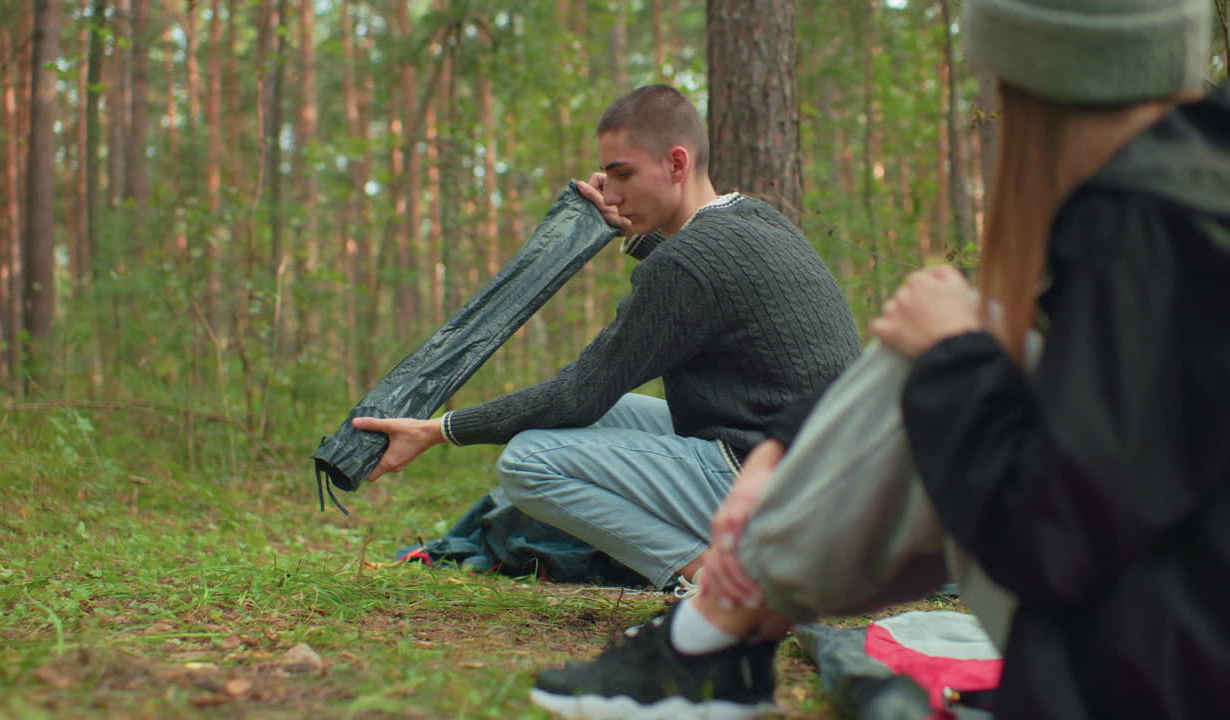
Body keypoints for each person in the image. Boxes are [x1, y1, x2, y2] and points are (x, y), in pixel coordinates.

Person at [530, 1, 1230, 718]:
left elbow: (1057, 537)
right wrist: (782, 442)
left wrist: (954, 356)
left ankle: (710, 632)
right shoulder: (1189, 182)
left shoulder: (1149, 232)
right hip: (1150, 625)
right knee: (960, 329)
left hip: (1151, 672)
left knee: (529, 461)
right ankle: (713, 633)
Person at [352, 84, 861, 591]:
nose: (610, 192)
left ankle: (712, 575)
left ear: (676, 164)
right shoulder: (753, 216)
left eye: (623, 174)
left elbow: (578, 393)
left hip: (779, 493)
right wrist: (629, 230)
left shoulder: (685, 265)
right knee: (612, 412)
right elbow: (703, 282)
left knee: (528, 462)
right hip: (833, 490)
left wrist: (439, 429)